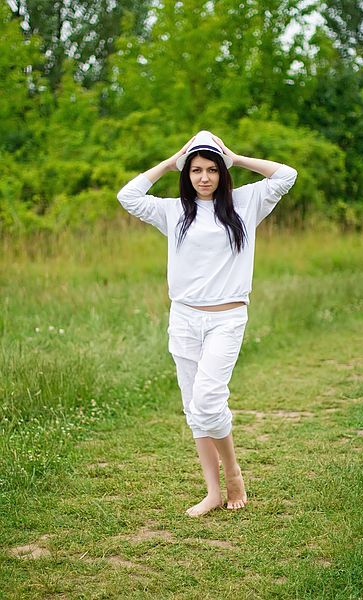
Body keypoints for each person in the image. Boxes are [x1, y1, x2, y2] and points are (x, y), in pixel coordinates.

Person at [117, 130, 297, 516]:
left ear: (222, 173)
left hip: (226, 318)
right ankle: (213, 492)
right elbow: (128, 196)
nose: (203, 177)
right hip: (183, 318)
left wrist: (236, 156)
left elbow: (286, 175)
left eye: (212, 169)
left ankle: (233, 472)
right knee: (193, 407)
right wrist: (170, 161)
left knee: (209, 399)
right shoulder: (173, 211)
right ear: (187, 173)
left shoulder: (246, 203)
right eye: (196, 169)